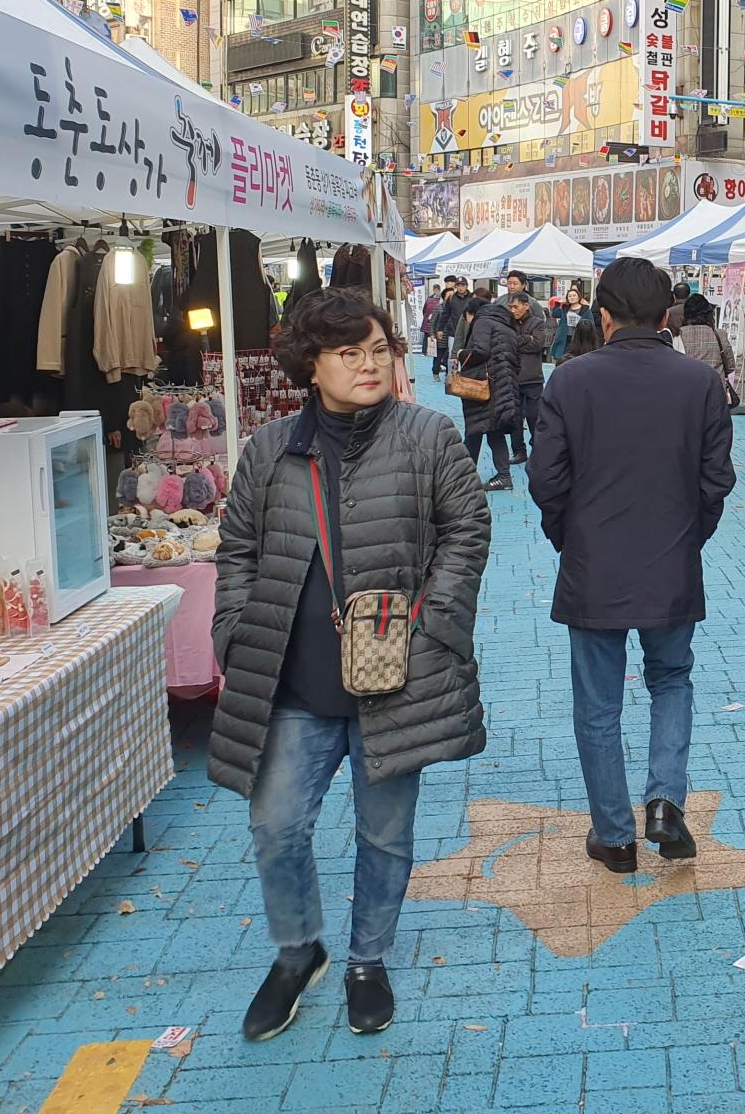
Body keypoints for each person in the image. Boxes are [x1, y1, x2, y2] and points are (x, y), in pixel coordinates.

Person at [210, 288, 489, 1041]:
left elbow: (468, 528)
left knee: (385, 834)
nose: (368, 365)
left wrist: (434, 626)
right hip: (293, 679)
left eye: (376, 350)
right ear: (312, 363)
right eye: (348, 353)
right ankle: (298, 951)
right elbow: (236, 547)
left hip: (396, 682)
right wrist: (233, 629)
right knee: (275, 824)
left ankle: (369, 957)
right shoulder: (268, 449)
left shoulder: (428, 437)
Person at [527, 258, 736, 872]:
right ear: (666, 314)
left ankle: (615, 835)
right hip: (671, 558)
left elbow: (546, 479)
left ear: (604, 313)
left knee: (597, 702)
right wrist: (690, 537)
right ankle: (666, 802)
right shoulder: (698, 383)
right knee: (671, 678)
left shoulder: (569, 381)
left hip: (594, 561)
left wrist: (571, 535)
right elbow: (716, 479)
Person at [454, 297, 519, 491]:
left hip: (485, 386)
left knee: (475, 430)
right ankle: (503, 476)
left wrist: (461, 354)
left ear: (470, 313)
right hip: (504, 385)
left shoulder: (482, 321)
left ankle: (464, 477)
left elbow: (480, 351)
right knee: (494, 431)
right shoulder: (506, 325)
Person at [506, 291, 550, 463]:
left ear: (526, 305)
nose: (513, 310)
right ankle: (519, 451)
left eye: (516, 306)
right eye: (511, 307)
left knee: (535, 417)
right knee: (514, 418)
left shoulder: (537, 323)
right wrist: (525, 339)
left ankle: (539, 450)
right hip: (512, 378)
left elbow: (538, 344)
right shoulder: (508, 323)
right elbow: (506, 344)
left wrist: (517, 341)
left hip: (533, 378)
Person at [676, 292, 738, 391]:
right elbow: (730, 366)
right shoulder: (720, 334)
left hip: (687, 391)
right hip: (715, 390)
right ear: (708, 314)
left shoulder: (678, 335)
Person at [551, 286, 587, 361]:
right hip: (564, 337)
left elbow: (590, 323)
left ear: (578, 297)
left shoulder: (585, 309)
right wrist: (558, 304)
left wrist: (580, 323)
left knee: (575, 360)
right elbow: (554, 314)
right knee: (561, 360)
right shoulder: (565, 308)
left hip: (578, 338)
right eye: (570, 296)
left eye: (574, 295)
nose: (572, 297)